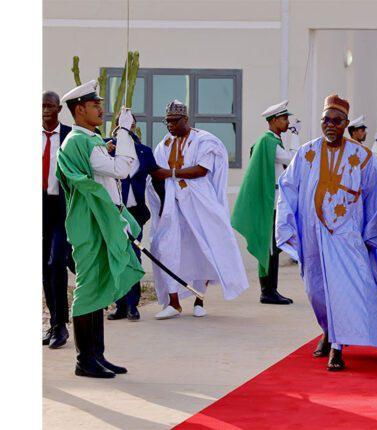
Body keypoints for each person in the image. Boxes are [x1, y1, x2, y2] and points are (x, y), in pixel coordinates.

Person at [276, 94, 377, 371]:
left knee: (343, 291)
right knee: (316, 291)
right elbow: (288, 188)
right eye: (326, 120)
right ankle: (328, 330)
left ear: (346, 123)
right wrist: (287, 224)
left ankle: (337, 346)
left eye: (337, 121)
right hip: (312, 236)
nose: (330, 125)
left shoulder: (363, 157)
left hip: (346, 237)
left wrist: (373, 235)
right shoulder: (306, 153)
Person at [56, 80, 144, 378]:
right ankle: (84, 360)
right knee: (88, 288)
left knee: (98, 285)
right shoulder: (79, 141)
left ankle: (97, 355)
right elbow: (121, 170)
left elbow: (104, 176)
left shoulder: (88, 140)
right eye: (95, 105)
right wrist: (125, 132)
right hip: (90, 223)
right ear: (79, 109)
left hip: (98, 221)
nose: (101, 110)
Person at [146, 100, 249, 319]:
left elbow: (202, 170)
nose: (170, 125)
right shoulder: (164, 144)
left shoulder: (204, 140)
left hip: (200, 203)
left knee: (204, 249)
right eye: (167, 121)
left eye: (174, 121)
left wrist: (171, 173)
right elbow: (157, 173)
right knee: (166, 247)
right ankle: (173, 303)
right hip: (172, 205)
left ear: (186, 119)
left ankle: (199, 299)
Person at [232, 100, 295, 305]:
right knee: (269, 248)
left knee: (273, 248)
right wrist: (296, 138)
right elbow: (292, 161)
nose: (287, 122)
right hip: (270, 203)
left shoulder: (272, 141)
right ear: (274, 120)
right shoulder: (268, 142)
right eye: (284, 118)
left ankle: (270, 289)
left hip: (275, 202)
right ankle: (268, 291)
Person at [104, 117, 158, 321]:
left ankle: (132, 306)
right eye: (121, 123)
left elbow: (157, 176)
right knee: (117, 256)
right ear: (116, 125)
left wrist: (166, 205)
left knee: (133, 256)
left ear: (133, 126)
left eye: (129, 123)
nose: (126, 127)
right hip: (114, 213)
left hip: (135, 214)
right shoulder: (107, 147)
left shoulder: (144, 151)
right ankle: (120, 305)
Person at [42, 91, 72, 349]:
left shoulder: (70, 136)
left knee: (57, 263)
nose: (45, 110)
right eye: (42, 106)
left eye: (50, 106)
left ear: (59, 109)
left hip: (61, 209)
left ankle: (61, 325)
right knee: (43, 267)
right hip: (39, 208)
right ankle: (53, 323)